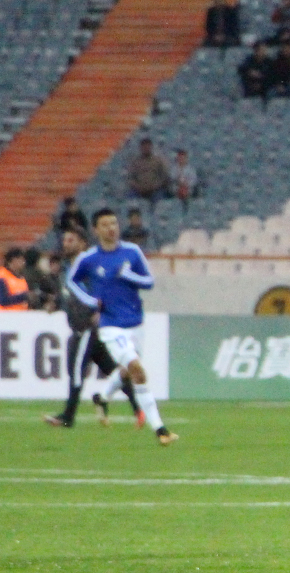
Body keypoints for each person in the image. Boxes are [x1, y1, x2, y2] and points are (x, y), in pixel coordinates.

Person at [65, 209, 177, 446]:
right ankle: (160, 430)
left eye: (114, 223)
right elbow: (71, 281)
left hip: (135, 323)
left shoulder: (132, 252)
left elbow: (149, 281)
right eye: (105, 225)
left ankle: (102, 397)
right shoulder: (90, 258)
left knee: (127, 371)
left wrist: (128, 275)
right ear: (96, 230)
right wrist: (90, 301)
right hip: (110, 326)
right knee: (137, 369)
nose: (111, 228)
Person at [43, 226, 141, 429]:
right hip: (84, 329)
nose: (66, 243)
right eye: (65, 240)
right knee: (111, 369)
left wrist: (102, 311)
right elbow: (71, 296)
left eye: (71, 240)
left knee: (77, 372)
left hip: (87, 328)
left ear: (82, 243)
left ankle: (68, 417)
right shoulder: (66, 269)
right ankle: (138, 408)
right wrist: (57, 303)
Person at [126, 138, 170, 206]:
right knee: (130, 198)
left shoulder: (158, 161)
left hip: (155, 190)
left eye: (148, 147)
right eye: (144, 147)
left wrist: (156, 185)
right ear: (141, 148)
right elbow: (130, 177)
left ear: (151, 147)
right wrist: (137, 186)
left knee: (160, 201)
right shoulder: (136, 162)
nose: (146, 149)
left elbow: (165, 176)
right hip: (139, 190)